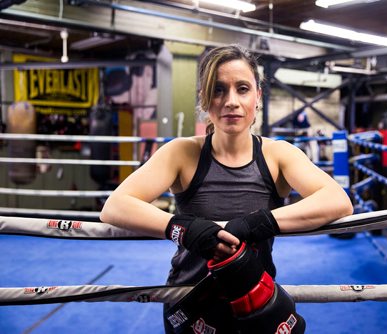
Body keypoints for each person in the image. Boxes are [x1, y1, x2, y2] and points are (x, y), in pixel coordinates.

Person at [100, 44, 353, 333]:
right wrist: (184, 228)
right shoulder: (181, 153)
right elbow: (115, 205)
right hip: (190, 300)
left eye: (242, 88)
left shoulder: (278, 155)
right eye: (218, 90)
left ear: (257, 96)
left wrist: (260, 222)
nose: (231, 101)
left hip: (255, 300)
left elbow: (338, 200)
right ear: (204, 99)